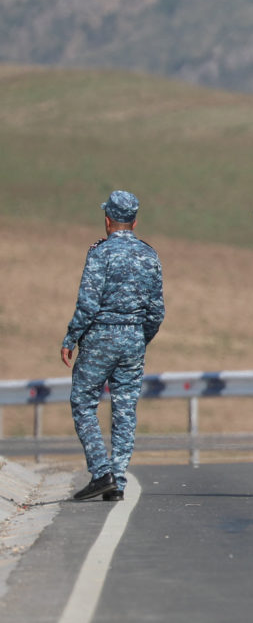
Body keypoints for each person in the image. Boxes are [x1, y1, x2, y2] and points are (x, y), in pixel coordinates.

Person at [60, 190, 164, 502]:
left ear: (107, 221)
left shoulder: (100, 253)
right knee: (125, 408)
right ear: (135, 222)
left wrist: (71, 338)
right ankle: (116, 482)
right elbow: (157, 310)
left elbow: (88, 304)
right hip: (133, 338)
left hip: (101, 337)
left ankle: (101, 472)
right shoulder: (149, 254)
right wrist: (138, 336)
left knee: (83, 402)